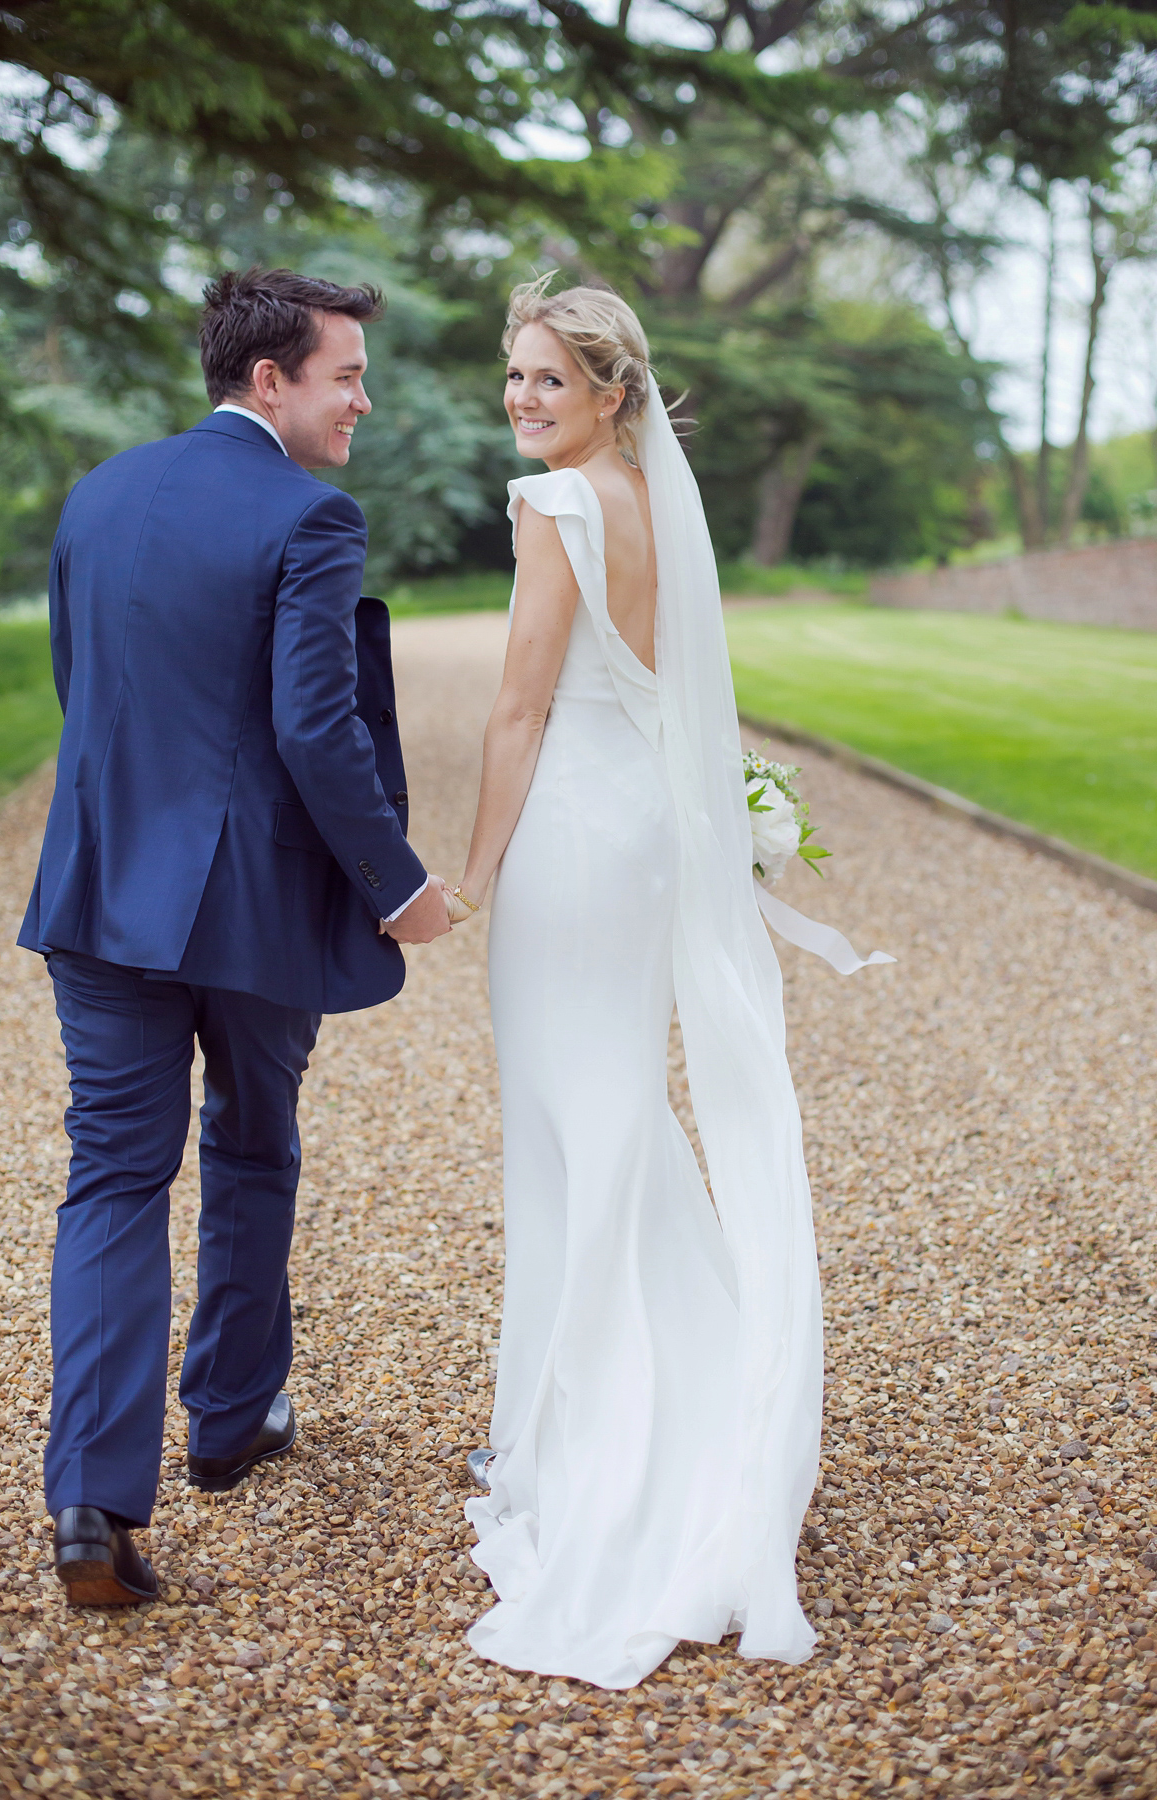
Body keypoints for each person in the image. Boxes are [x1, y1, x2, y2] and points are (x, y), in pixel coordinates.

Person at [19, 266, 451, 1607]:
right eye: (346, 376)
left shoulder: (96, 496)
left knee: (111, 1175)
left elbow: (79, 689)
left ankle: (90, 1501)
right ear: (271, 381)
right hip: (250, 907)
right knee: (253, 1143)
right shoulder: (312, 516)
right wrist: (399, 882)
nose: (362, 403)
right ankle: (227, 1423)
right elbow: (314, 731)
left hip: (97, 895)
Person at [446, 279, 824, 1688]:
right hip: (647, 836)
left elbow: (522, 705)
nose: (524, 401)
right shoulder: (658, 503)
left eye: (550, 381)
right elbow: (679, 692)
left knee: (573, 1121)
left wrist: (475, 875)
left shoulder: (556, 509)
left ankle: (596, 1430)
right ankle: (648, 1389)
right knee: (609, 1107)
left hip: (571, 847)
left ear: (615, 392)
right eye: (516, 380)